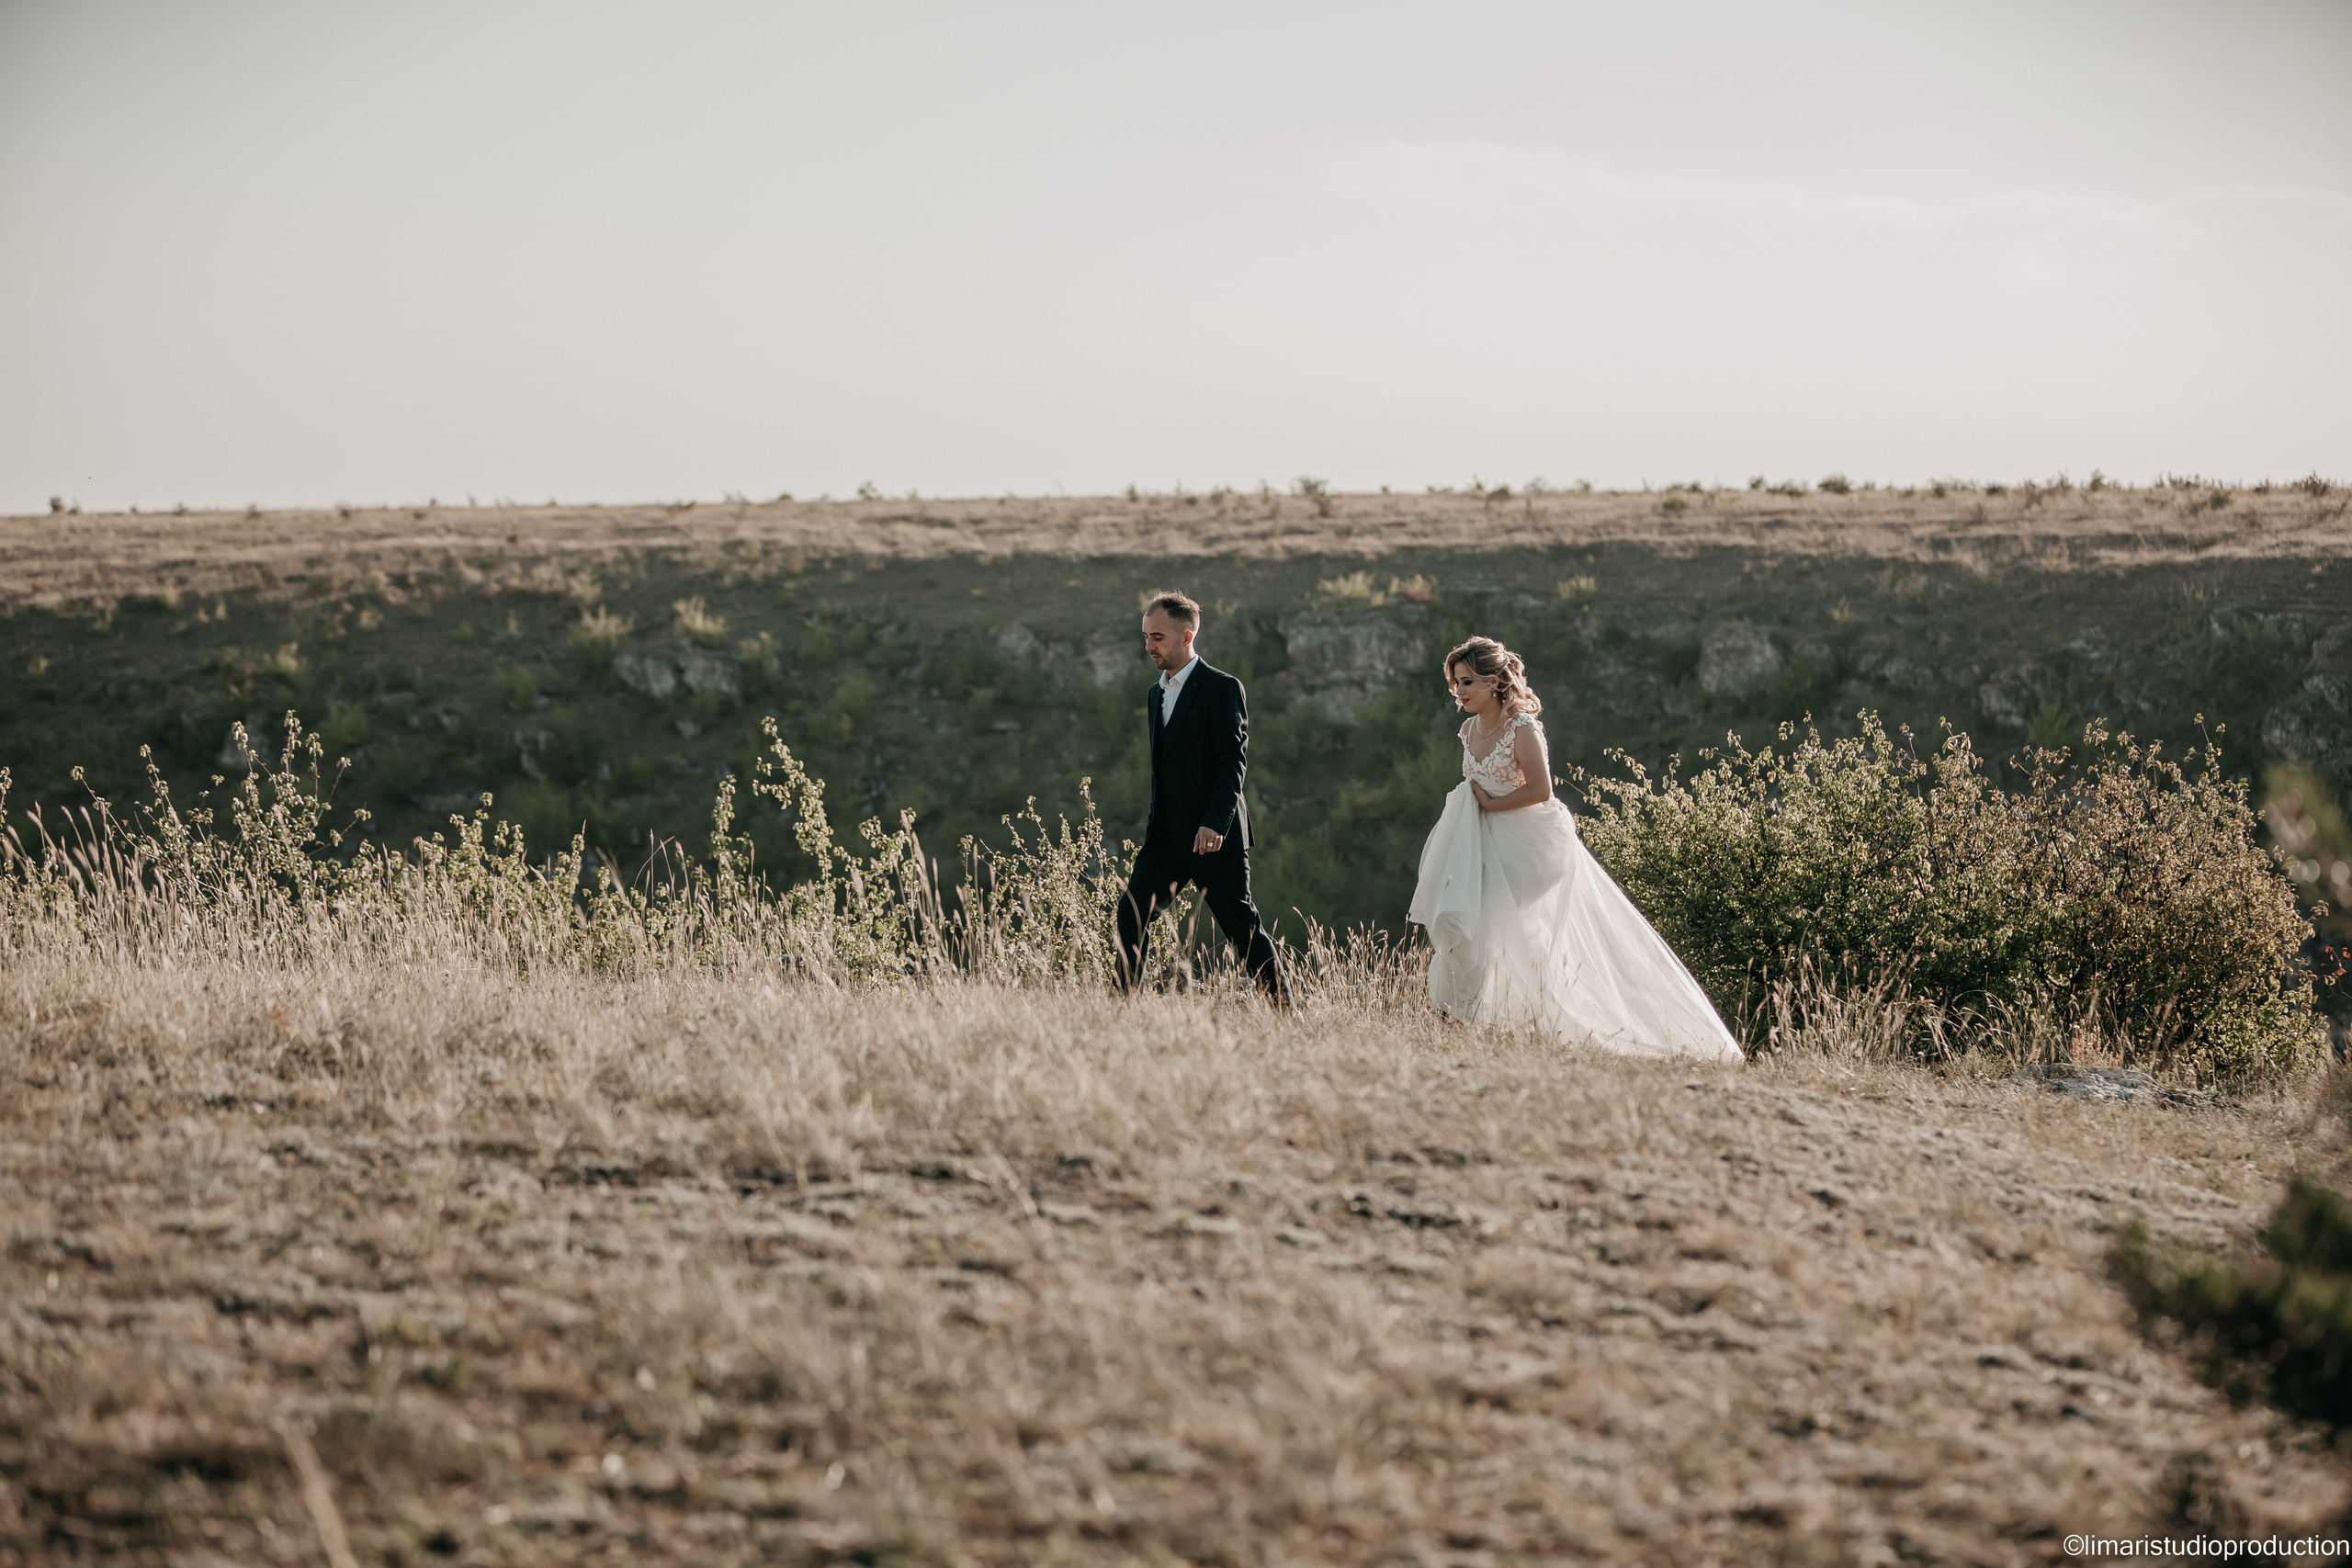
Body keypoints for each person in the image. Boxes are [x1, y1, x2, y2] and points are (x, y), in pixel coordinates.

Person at [1407, 636, 1742, 1061]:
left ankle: (1526, 1022)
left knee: (1488, 924)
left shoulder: (1521, 728)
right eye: (1455, 683)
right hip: (1481, 842)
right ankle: (1469, 1025)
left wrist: (1491, 803)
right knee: (1470, 930)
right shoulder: (1469, 728)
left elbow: (1542, 791)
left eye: (1468, 681)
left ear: (1495, 681)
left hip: (1526, 844)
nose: (1460, 692)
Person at [1114, 590, 1290, 1003]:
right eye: (1145, 636)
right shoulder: (1155, 694)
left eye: (1157, 637)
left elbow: (1233, 761)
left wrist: (1216, 821)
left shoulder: (1222, 688)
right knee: (1132, 914)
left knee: (1242, 929)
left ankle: (1286, 1007)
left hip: (1214, 838)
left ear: (1187, 636)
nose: (1148, 645)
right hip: (1165, 840)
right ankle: (1121, 1009)